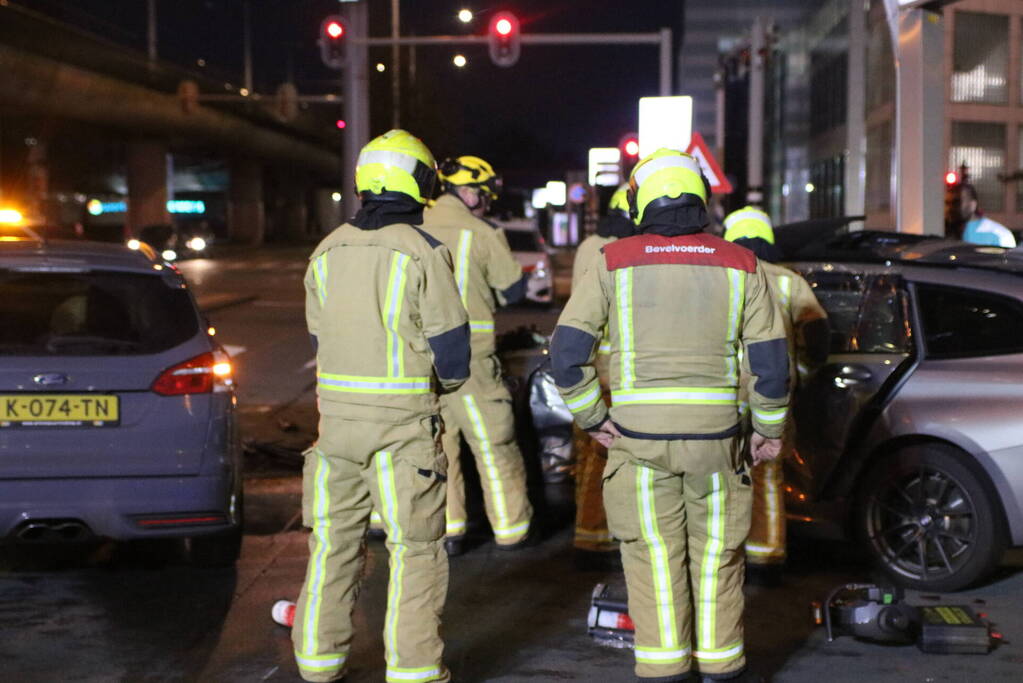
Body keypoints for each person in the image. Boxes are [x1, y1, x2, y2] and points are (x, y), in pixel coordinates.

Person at [551, 149, 789, 683]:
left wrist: (593, 420)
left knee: (652, 559)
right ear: (701, 200)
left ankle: (664, 669)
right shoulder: (742, 264)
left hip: (638, 444)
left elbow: (567, 355)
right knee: (717, 560)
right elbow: (771, 367)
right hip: (720, 446)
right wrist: (769, 432)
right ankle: (723, 667)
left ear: (640, 201)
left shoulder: (611, 262)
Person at [292, 129, 469, 683]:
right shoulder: (423, 251)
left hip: (334, 431)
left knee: (333, 545)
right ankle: (413, 671)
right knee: (414, 551)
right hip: (402, 432)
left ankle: (317, 664)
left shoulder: (326, 250)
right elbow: (454, 354)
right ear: (419, 185)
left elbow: (320, 342)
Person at [420, 155, 533, 556]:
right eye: (483, 196)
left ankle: (450, 532)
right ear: (467, 193)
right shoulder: (480, 233)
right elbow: (514, 291)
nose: (486, 204)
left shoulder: (412, 229)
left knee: (439, 447)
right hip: (472, 362)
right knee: (494, 446)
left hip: (422, 364)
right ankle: (511, 530)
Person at [723, 206, 829, 585]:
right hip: (772, 397)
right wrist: (804, 373)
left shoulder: (722, 279)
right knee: (767, 474)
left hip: (723, 399)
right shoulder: (789, 281)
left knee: (724, 478)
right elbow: (817, 337)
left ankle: (723, 557)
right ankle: (765, 556)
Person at [569, 184, 634, 568]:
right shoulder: (623, 252)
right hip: (615, 375)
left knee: (587, 455)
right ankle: (594, 537)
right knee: (604, 458)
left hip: (585, 370)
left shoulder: (587, 246)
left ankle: (588, 529)